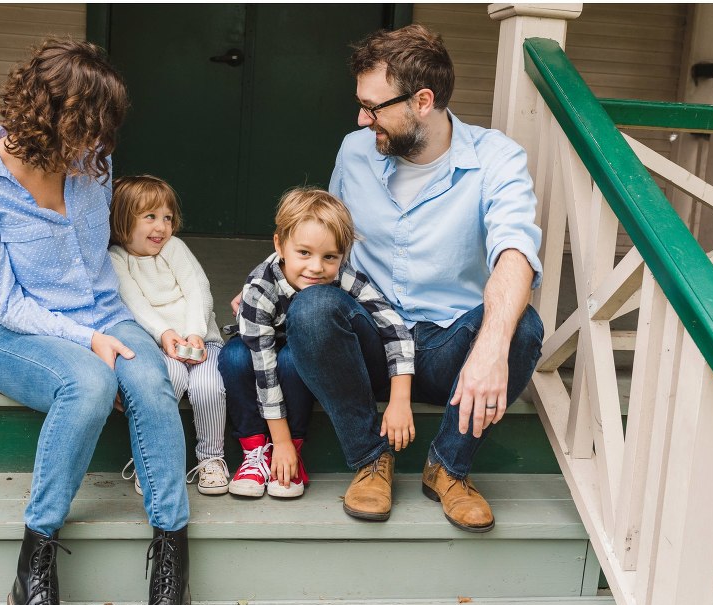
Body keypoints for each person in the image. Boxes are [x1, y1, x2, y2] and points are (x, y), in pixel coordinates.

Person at [0, 39, 191, 605]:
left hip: (109, 315)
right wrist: (87, 340)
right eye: (85, 133)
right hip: (22, 334)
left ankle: (171, 569)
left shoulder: (93, 159)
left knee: (154, 385)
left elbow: (113, 261)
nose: (96, 150)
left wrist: (157, 322)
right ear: (43, 118)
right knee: (87, 383)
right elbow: (4, 303)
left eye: (102, 135)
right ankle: (34, 567)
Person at [280, 24, 544, 531]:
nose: (362, 118)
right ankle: (369, 459)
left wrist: (490, 348)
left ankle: (448, 467)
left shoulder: (495, 158)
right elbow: (321, 238)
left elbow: (516, 250)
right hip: (372, 344)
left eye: (374, 107)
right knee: (311, 308)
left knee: (523, 327)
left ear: (422, 101)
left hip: (450, 350)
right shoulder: (355, 150)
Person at [219, 188, 415, 502]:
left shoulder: (342, 277)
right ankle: (256, 452)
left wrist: (400, 397)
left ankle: (294, 451)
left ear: (343, 256)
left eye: (330, 257)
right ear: (279, 245)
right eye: (304, 253)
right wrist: (276, 441)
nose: (316, 268)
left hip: (303, 359)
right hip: (261, 356)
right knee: (233, 357)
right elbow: (264, 372)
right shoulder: (260, 289)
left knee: (292, 362)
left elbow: (393, 327)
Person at [108, 175, 230, 496]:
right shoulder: (116, 259)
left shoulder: (174, 248)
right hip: (159, 345)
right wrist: (164, 333)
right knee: (166, 380)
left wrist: (194, 332)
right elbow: (133, 302)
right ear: (122, 221)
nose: (162, 226)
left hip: (201, 340)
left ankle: (211, 459)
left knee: (208, 386)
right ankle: (153, 456)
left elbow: (197, 289)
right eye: (150, 217)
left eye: (167, 217)